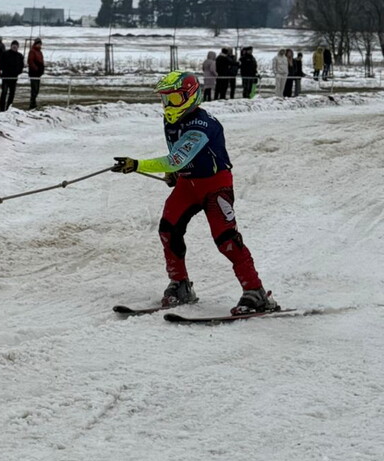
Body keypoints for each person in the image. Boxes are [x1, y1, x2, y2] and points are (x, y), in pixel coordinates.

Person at [112, 70, 277, 314]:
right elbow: (178, 155)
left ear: (190, 96)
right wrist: (175, 173)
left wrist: (138, 165)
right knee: (168, 229)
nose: (169, 105)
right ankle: (180, 284)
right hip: (187, 185)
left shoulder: (202, 125)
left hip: (215, 186)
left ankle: (256, 292)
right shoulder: (171, 120)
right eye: (165, 99)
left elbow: (176, 158)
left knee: (226, 239)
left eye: (174, 99)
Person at [0, 40, 24, 110]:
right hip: (6, 77)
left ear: (18, 47)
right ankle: (2, 108)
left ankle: (9, 108)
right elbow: (0, 63)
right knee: (4, 93)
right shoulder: (5, 54)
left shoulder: (20, 56)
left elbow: (21, 66)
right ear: (11, 46)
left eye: (16, 46)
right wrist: (3, 71)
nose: (14, 47)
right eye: (13, 45)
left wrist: (18, 72)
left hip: (14, 77)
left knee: (12, 94)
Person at [27, 38, 45, 109]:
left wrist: (41, 69)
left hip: (38, 73)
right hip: (34, 73)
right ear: (35, 44)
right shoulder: (32, 51)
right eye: (38, 44)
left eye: (40, 44)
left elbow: (41, 61)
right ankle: (32, 104)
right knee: (34, 88)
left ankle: (33, 102)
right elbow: (30, 61)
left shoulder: (40, 52)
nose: (39, 45)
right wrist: (36, 69)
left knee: (37, 89)